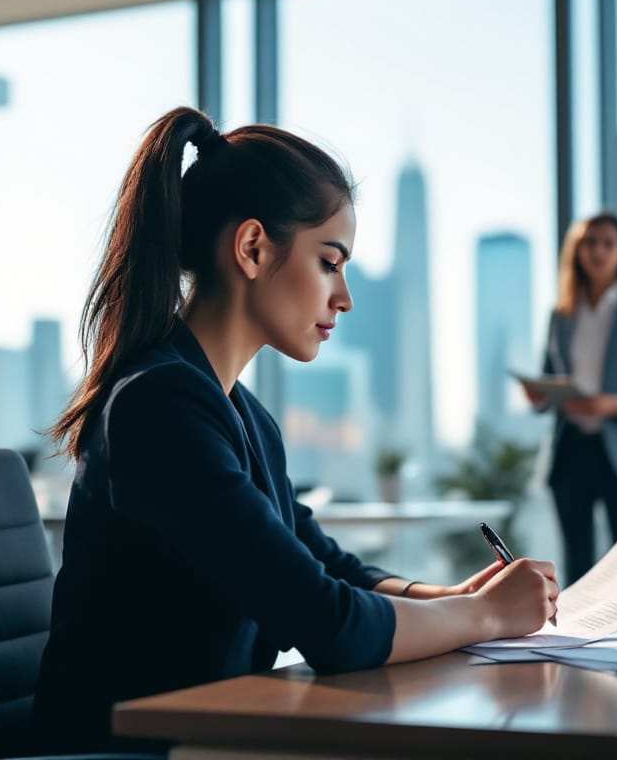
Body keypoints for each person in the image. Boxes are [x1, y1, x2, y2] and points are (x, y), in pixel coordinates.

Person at [31, 107, 560, 754]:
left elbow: (322, 565)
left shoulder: (238, 413)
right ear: (252, 248)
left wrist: (450, 596)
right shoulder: (158, 406)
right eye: (330, 262)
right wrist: (483, 616)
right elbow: (328, 625)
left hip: (207, 739)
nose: (345, 297)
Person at [523, 213, 617, 585]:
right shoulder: (560, 314)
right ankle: (581, 640)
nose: (598, 251)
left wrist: (615, 404)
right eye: (590, 243)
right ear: (576, 251)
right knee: (577, 564)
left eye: (608, 243)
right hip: (570, 449)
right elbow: (549, 379)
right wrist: (540, 396)